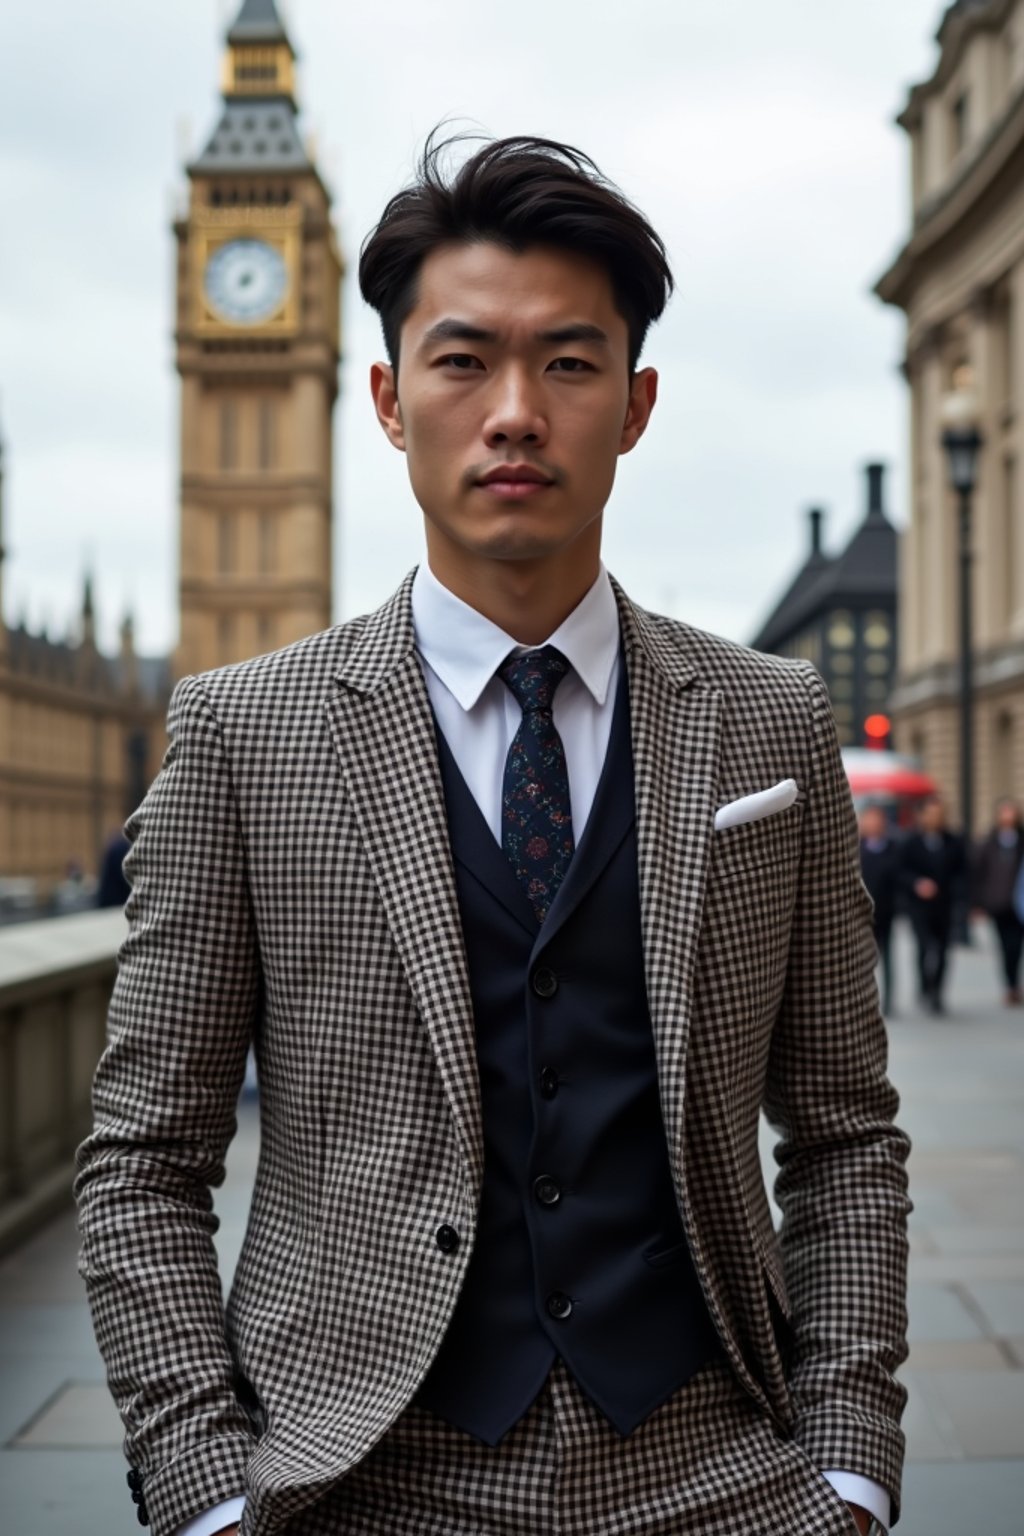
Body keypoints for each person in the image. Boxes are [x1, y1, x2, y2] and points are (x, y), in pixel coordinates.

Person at [76, 133, 909, 1536]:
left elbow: (844, 1133)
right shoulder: (240, 735)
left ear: (635, 405)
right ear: (392, 402)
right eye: (464, 363)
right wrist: (207, 1487)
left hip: (722, 1468)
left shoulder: (771, 723)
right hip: (353, 1473)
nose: (514, 412)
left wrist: (851, 1463)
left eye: (569, 364)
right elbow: (144, 1155)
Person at [901, 795, 967, 1016]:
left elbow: (962, 872)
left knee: (943, 950)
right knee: (924, 947)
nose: (935, 818)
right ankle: (924, 986)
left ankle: (937, 992)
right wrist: (917, 884)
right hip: (919, 907)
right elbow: (901, 871)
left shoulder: (954, 841)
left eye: (939, 814)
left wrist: (961, 899)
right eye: (930, 814)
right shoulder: (911, 842)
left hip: (945, 905)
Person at [972, 798, 1024, 1006]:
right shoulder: (989, 843)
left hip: (1019, 903)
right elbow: (978, 873)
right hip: (998, 903)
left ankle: (1014, 984)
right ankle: (1010, 985)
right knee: (1005, 946)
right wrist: (978, 903)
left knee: (1016, 947)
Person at [858, 804, 902, 1015]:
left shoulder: (893, 847)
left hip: (886, 911)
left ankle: (889, 1000)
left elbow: (901, 876)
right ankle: (866, 1000)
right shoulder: (856, 847)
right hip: (861, 914)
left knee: (888, 957)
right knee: (864, 959)